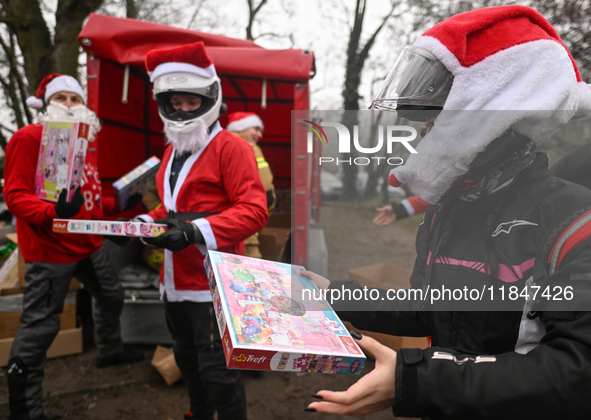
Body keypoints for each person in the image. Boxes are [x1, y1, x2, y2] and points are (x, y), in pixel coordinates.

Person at [304, 6, 591, 418]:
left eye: (431, 118)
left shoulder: (571, 220)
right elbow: (429, 305)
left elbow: (577, 370)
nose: (420, 132)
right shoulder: (450, 207)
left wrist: (418, 380)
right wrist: (333, 293)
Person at [135, 42, 268, 420]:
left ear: (209, 99)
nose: (182, 109)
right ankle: (198, 413)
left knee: (217, 370)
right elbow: (169, 207)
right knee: (186, 359)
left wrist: (194, 232)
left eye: (192, 102)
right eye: (176, 101)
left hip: (212, 283)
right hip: (175, 281)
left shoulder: (233, 148)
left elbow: (254, 210)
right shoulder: (173, 152)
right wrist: (144, 225)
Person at [4, 74, 144, 420]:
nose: (69, 105)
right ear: (47, 105)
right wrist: (52, 211)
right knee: (41, 327)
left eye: (75, 99)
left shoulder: (83, 143)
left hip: (88, 246)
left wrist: (124, 205)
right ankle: (26, 409)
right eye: (61, 98)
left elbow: (90, 202)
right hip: (50, 251)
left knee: (112, 296)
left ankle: (108, 352)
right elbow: (15, 196)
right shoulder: (29, 137)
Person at [227, 111, 275, 258]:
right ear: (241, 127)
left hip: (225, 224)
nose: (259, 135)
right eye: (256, 129)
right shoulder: (249, 147)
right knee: (250, 273)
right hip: (244, 225)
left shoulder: (221, 145)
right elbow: (265, 185)